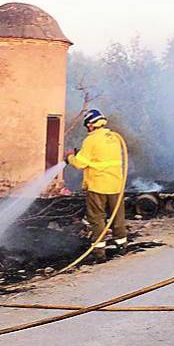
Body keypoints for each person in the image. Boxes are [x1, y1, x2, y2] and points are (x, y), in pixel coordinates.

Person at [65, 109, 126, 262]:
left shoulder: (91, 140)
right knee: (117, 217)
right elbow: (101, 156)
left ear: (91, 124)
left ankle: (99, 253)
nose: (87, 129)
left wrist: (70, 157)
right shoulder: (114, 137)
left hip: (98, 186)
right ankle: (121, 245)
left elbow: (80, 163)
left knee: (97, 218)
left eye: (87, 126)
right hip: (116, 184)